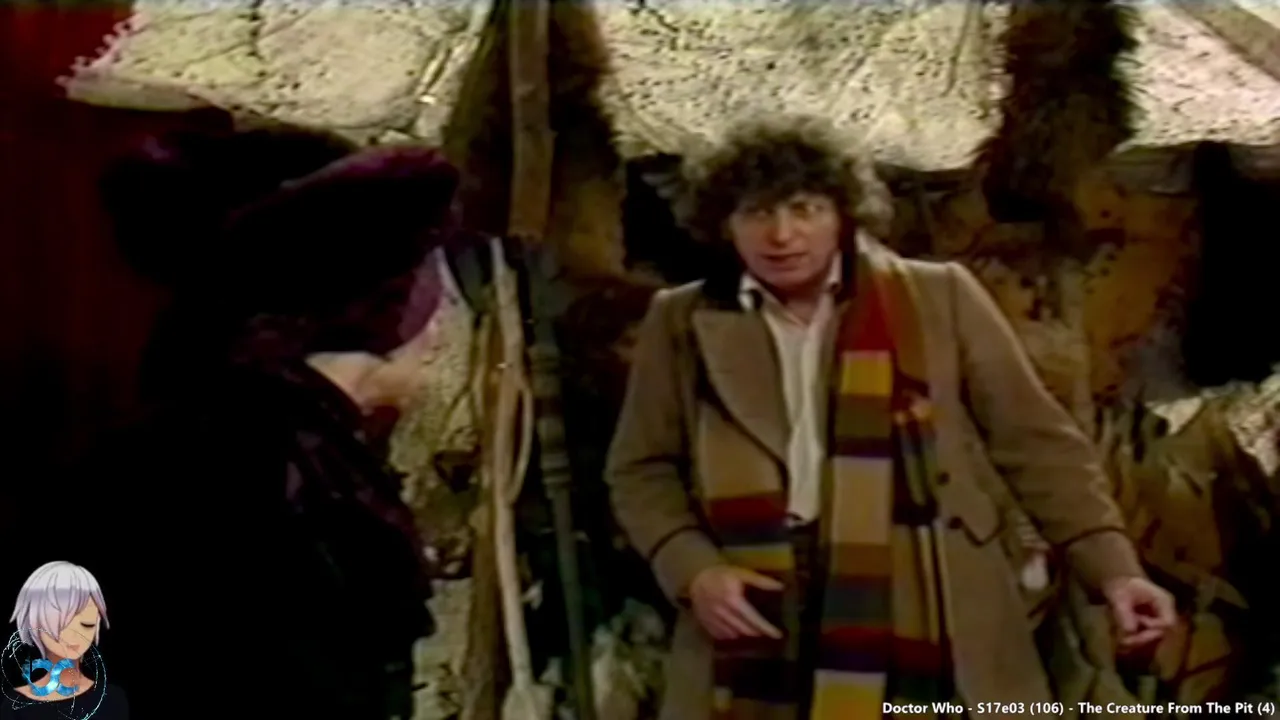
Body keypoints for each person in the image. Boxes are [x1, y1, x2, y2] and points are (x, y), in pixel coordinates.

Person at [604, 116, 1177, 720]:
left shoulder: (937, 296)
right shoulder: (681, 320)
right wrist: (694, 571)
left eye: (804, 209)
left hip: (929, 587)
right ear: (724, 223)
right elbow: (640, 469)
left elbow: (1036, 445)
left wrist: (1115, 571)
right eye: (756, 213)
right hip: (756, 596)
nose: (781, 235)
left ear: (843, 214)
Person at [8, 121, 476, 719]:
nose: (444, 315)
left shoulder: (266, 443)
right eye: (429, 277)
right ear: (381, 302)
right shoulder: (264, 470)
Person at [3, 562, 128, 720]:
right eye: (60, 625)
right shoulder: (14, 706)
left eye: (87, 624)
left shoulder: (113, 700)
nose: (74, 636)